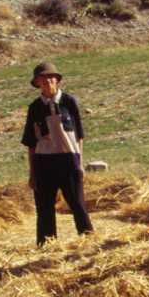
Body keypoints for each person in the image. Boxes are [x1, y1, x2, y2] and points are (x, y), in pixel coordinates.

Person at [21, 62, 94, 247]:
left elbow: (79, 135)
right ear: (37, 83)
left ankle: (89, 242)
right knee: (44, 208)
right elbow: (30, 143)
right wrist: (32, 172)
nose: (48, 82)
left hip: (69, 159)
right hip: (43, 162)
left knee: (77, 204)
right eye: (43, 79)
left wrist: (80, 163)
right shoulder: (34, 108)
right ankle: (47, 245)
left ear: (58, 81)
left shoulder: (69, 102)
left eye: (51, 78)